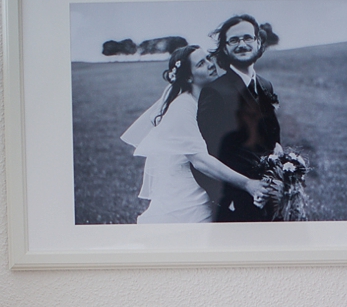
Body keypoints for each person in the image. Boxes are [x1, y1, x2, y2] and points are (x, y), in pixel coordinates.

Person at [121, 45, 267, 224]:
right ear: (189, 77)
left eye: (208, 58)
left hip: (206, 183)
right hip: (186, 193)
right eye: (200, 64)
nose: (210, 64)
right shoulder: (182, 107)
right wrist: (248, 183)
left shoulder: (207, 100)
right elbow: (200, 161)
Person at [196, 15, 283, 222]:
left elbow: (271, 139)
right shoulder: (215, 92)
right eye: (234, 40)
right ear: (225, 49)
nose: (242, 44)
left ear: (258, 42)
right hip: (236, 205)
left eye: (247, 38)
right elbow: (208, 156)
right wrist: (230, 201)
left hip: (272, 197)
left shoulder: (265, 85)